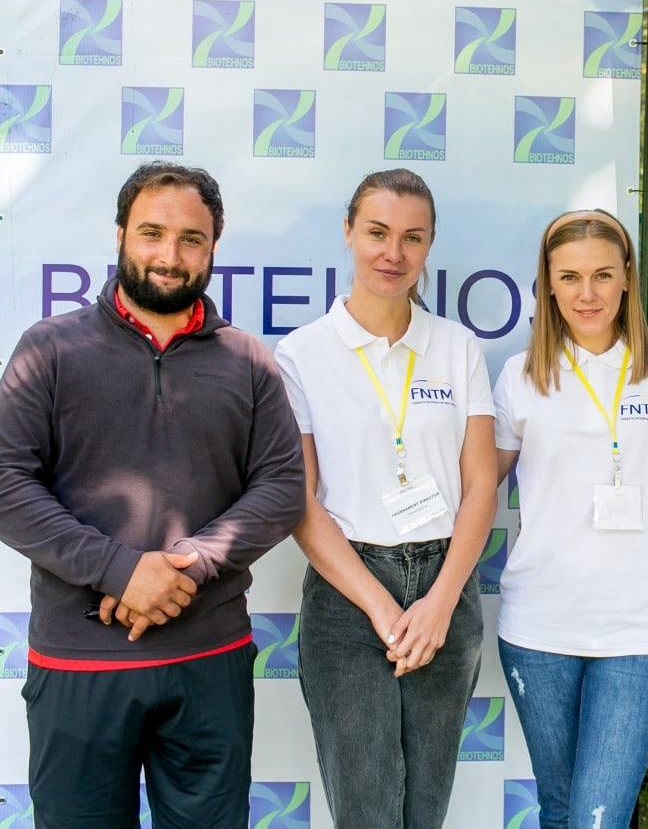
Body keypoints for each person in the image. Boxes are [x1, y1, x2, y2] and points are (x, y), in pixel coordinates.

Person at [0, 162, 306, 828]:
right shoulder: (50, 348)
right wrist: (121, 570)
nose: (169, 255)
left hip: (208, 662)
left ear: (213, 248)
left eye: (191, 239)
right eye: (152, 232)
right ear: (121, 233)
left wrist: (189, 563)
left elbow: (282, 487)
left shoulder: (248, 361)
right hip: (78, 660)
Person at [274, 168, 495, 827]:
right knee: (367, 809)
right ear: (348, 232)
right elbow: (301, 501)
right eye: (377, 232)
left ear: (429, 245)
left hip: (444, 586)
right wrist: (380, 605)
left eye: (412, 237)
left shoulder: (456, 347)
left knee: (425, 807)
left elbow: (481, 484)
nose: (393, 253)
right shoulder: (301, 355)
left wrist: (440, 603)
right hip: (348, 592)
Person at [492, 209, 648, 829]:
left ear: (628, 276)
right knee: (559, 810)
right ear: (548, 284)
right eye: (569, 277)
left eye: (603, 275)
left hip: (637, 627)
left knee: (599, 817)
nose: (587, 294)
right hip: (539, 624)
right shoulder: (520, 376)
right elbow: (478, 485)